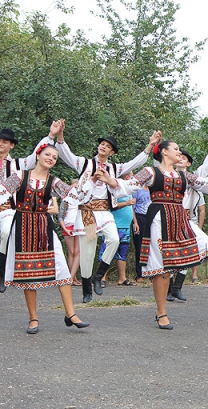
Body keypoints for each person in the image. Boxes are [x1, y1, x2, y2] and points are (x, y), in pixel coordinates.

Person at [97, 139, 208, 330]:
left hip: (181, 218)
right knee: (163, 268)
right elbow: (129, 185)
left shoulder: (184, 175)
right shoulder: (151, 172)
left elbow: (207, 182)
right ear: (164, 152)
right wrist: (109, 180)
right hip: (159, 218)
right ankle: (161, 313)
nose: (179, 152)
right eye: (175, 149)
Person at [51, 119, 159, 303]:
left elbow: (134, 163)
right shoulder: (84, 164)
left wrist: (150, 145)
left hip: (104, 211)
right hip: (88, 214)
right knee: (88, 251)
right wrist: (60, 134)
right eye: (102, 144)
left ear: (112, 152)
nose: (103, 146)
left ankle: (98, 275)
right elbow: (66, 153)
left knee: (114, 239)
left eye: (107, 146)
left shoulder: (114, 168)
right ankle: (87, 289)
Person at [0, 143, 89, 332]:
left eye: (54, 157)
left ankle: (71, 314)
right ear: (38, 155)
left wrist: (89, 180)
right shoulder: (20, 176)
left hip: (44, 226)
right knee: (28, 272)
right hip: (22, 226)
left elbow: (75, 196)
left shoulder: (53, 181)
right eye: (47, 154)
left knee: (62, 268)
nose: (51, 158)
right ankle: (33, 318)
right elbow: (1, 193)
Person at [167, 133, 208, 300]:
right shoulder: (168, 175)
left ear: (189, 163)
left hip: (188, 220)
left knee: (188, 251)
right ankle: (168, 289)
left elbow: (207, 166)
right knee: (169, 253)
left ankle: (177, 287)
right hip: (170, 218)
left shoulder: (194, 178)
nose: (181, 159)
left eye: (184, 158)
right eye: (179, 156)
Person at [0, 128, 53, 293]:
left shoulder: (16, 164)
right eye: (0, 140)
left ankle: (2, 274)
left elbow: (34, 157)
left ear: (12, 146)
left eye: (5, 141)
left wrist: (51, 135)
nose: (1, 143)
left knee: (7, 231)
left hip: (7, 208)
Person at [98, 171, 136, 287]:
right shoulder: (113, 188)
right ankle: (101, 277)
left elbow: (131, 207)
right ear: (126, 176)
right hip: (113, 225)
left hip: (125, 225)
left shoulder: (128, 189)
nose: (132, 177)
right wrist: (126, 202)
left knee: (122, 251)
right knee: (107, 250)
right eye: (130, 175)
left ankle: (122, 278)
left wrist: (135, 221)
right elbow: (111, 205)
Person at [58, 178, 81, 286]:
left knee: (77, 252)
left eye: (77, 187)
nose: (76, 189)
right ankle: (71, 278)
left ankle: (72, 277)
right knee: (72, 252)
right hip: (68, 226)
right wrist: (66, 229)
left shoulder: (81, 199)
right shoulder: (65, 200)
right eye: (74, 187)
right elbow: (60, 217)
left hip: (79, 227)